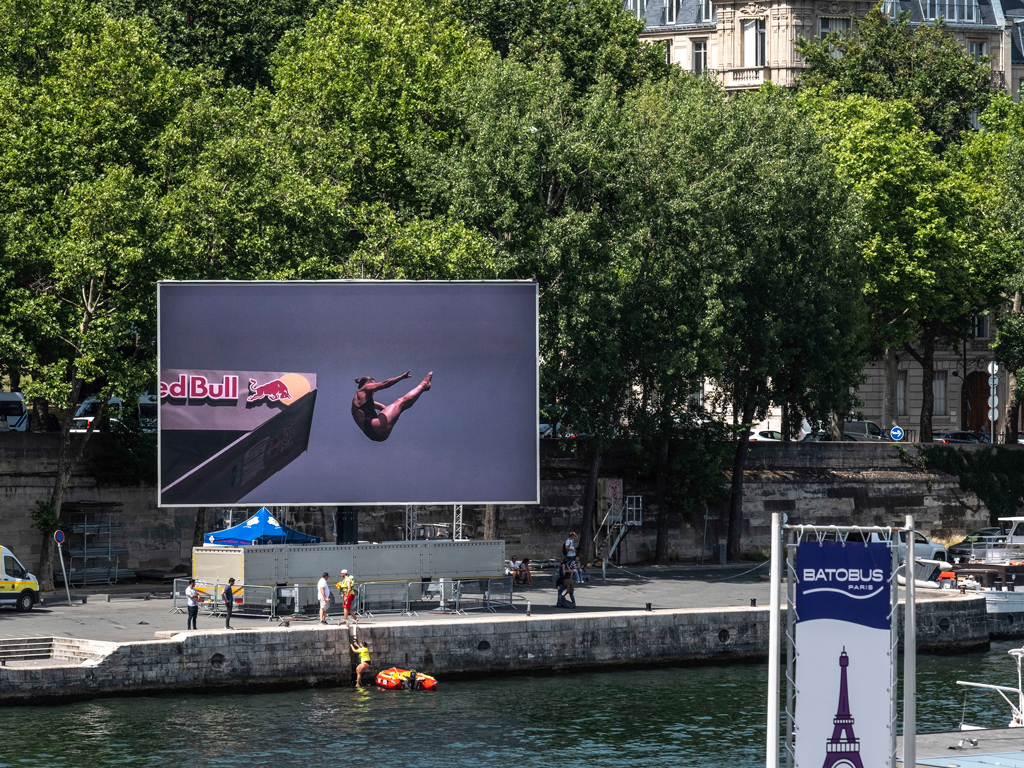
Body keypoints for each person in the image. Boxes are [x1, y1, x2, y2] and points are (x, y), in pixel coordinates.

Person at [351, 370, 433, 442]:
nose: (375, 390)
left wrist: (394, 414)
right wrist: (401, 377)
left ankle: (423, 388)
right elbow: (384, 384)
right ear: (367, 384)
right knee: (400, 402)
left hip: (377, 436)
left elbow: (382, 407)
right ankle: (424, 385)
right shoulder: (364, 389)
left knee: (400, 406)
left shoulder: (361, 403)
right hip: (377, 427)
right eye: (374, 385)